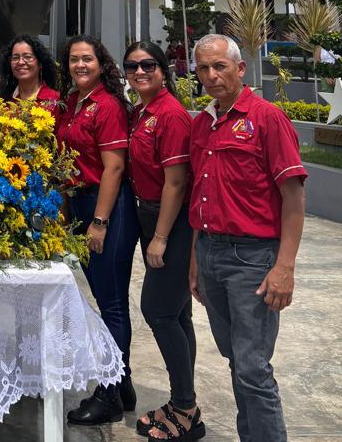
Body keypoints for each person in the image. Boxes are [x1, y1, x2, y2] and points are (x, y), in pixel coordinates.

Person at [189, 34, 306, 442]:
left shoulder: (267, 118)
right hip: (209, 253)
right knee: (236, 360)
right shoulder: (202, 122)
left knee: (254, 368)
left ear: (240, 69)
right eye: (203, 68)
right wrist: (195, 262)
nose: (211, 75)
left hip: (252, 260)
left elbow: (293, 196)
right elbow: (199, 194)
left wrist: (284, 267)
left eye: (219, 66)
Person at [56, 35, 139, 428]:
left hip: (106, 208)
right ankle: (121, 380)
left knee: (111, 304)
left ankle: (109, 396)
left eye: (86, 59)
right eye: (74, 60)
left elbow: (114, 167)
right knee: (108, 299)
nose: (80, 66)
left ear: (99, 62)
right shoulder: (73, 102)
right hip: (80, 203)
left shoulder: (105, 105)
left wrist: (100, 222)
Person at [124, 41, 203, 441]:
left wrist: (159, 238)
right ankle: (182, 403)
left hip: (168, 219)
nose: (139, 72)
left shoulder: (169, 114)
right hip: (149, 213)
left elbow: (176, 182)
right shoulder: (142, 112)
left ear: (163, 69)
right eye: (132, 66)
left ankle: (185, 408)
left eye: (148, 65)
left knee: (156, 311)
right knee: (177, 314)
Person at [0, 34, 60, 111]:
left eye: (27, 57)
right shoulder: (3, 100)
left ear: (40, 63)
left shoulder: (55, 100)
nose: (20, 62)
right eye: (15, 58)